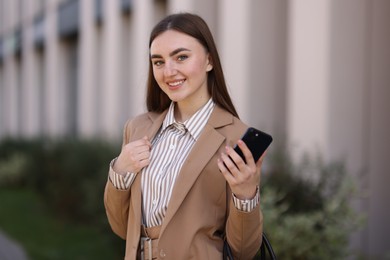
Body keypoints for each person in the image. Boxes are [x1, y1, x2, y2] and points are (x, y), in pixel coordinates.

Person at [104, 12, 264, 260]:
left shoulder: (235, 137)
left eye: (181, 57)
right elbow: (121, 227)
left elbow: (243, 250)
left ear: (209, 60)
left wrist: (246, 194)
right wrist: (120, 173)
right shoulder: (137, 129)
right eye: (158, 62)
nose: (169, 72)